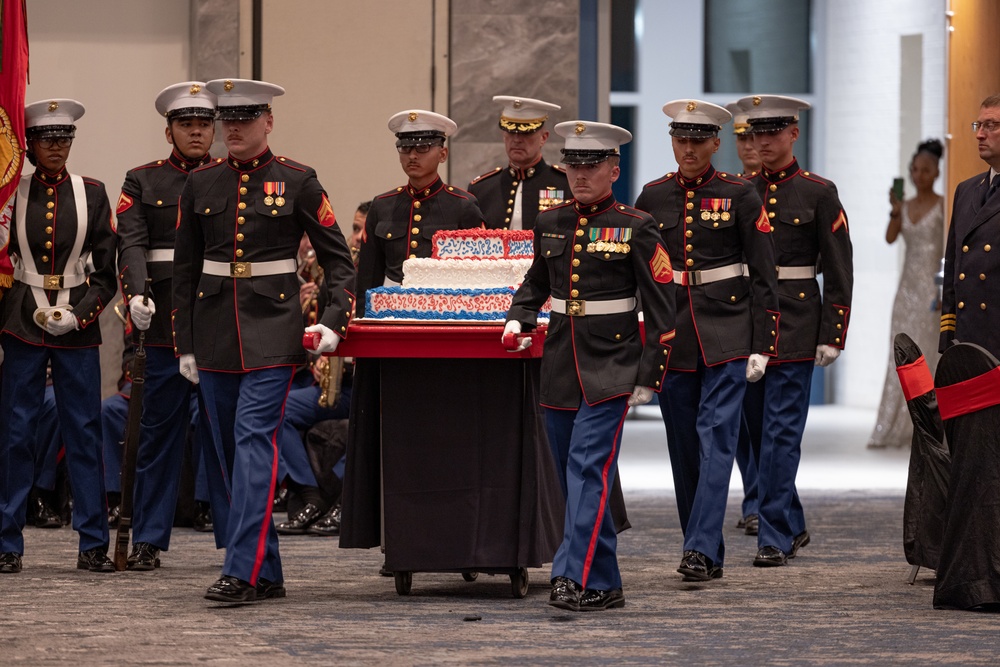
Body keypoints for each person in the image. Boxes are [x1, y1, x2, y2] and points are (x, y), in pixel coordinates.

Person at [172, 78, 356, 603]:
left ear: (268, 122)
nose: (233, 127)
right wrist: (184, 342)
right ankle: (267, 569)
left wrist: (334, 321)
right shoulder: (201, 183)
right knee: (228, 455)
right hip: (212, 333)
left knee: (254, 441)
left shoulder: (297, 180)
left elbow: (338, 261)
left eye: (246, 118)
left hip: (274, 332)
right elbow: (184, 271)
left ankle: (242, 569)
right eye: (227, 119)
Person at [505, 120, 676, 611]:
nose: (580, 174)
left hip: (613, 366)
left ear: (613, 170)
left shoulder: (637, 226)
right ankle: (605, 581)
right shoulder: (552, 222)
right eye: (573, 165)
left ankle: (569, 575)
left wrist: (650, 373)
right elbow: (536, 285)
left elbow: (664, 309)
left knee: (587, 468)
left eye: (592, 165)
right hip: (560, 362)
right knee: (570, 477)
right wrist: (519, 317)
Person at [634, 100, 778, 581]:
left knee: (717, 437)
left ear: (717, 143)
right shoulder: (652, 197)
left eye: (699, 139)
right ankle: (705, 548)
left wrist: (763, 342)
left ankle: (697, 548)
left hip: (728, 330)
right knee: (683, 447)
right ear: (673, 141)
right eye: (681, 139)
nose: (689, 148)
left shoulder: (740, 194)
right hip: (675, 334)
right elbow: (641, 275)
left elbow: (763, 274)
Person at [341, 110, 484, 550]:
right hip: (391, 339)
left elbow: (478, 282)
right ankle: (400, 538)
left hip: (447, 339)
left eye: (423, 148)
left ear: (443, 152)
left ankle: (455, 535)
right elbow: (365, 280)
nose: (413, 156)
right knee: (395, 444)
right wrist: (356, 334)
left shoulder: (463, 207)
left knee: (448, 438)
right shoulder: (383, 206)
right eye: (406, 148)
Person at [736, 94, 854, 567]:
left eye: (772, 132)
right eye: (755, 133)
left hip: (798, 321)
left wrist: (834, 331)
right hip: (747, 322)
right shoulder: (740, 192)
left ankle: (775, 533)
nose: (762, 141)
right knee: (758, 431)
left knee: (782, 433)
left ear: (793, 134)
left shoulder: (818, 192)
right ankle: (792, 519)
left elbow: (841, 267)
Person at [0, 99, 117, 574]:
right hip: (22, 319)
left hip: (76, 324)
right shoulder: (10, 195)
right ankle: (7, 541)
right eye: (47, 139)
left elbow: (107, 273)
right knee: (15, 434)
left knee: (84, 431)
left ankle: (93, 543)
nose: (56, 147)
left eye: (64, 138)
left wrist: (82, 314)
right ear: (28, 145)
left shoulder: (93, 192)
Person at [115, 81, 218, 570]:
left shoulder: (228, 177)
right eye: (186, 125)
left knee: (225, 435)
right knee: (157, 433)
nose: (195, 132)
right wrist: (136, 291)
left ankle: (235, 539)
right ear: (169, 131)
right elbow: (131, 243)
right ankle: (150, 537)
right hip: (160, 325)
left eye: (203, 125)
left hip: (218, 322)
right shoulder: (142, 180)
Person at [868, 139, 944, 449]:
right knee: (900, 354)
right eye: (914, 170)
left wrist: (943, 288)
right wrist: (895, 210)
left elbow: (945, 251)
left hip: (932, 290)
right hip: (906, 290)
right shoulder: (906, 205)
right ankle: (895, 423)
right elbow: (889, 238)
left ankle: (932, 424)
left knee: (929, 355)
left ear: (937, 172)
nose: (919, 175)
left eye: (925, 170)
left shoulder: (943, 205)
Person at [726, 100, 764, 535]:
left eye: (757, 136)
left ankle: (761, 499)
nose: (751, 144)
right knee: (736, 420)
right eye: (743, 136)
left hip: (773, 310)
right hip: (733, 312)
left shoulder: (791, 186)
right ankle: (753, 492)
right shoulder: (727, 189)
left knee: (769, 422)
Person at [940, 93, 1000, 360]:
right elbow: (954, 269)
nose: (980, 135)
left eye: (991, 125)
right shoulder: (966, 191)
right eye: (979, 126)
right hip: (968, 339)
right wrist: (948, 338)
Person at [468, 96, 567, 230]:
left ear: (543, 138)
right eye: (511, 132)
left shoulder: (564, 184)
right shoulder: (482, 188)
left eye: (526, 133)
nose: (517, 140)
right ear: (504, 136)